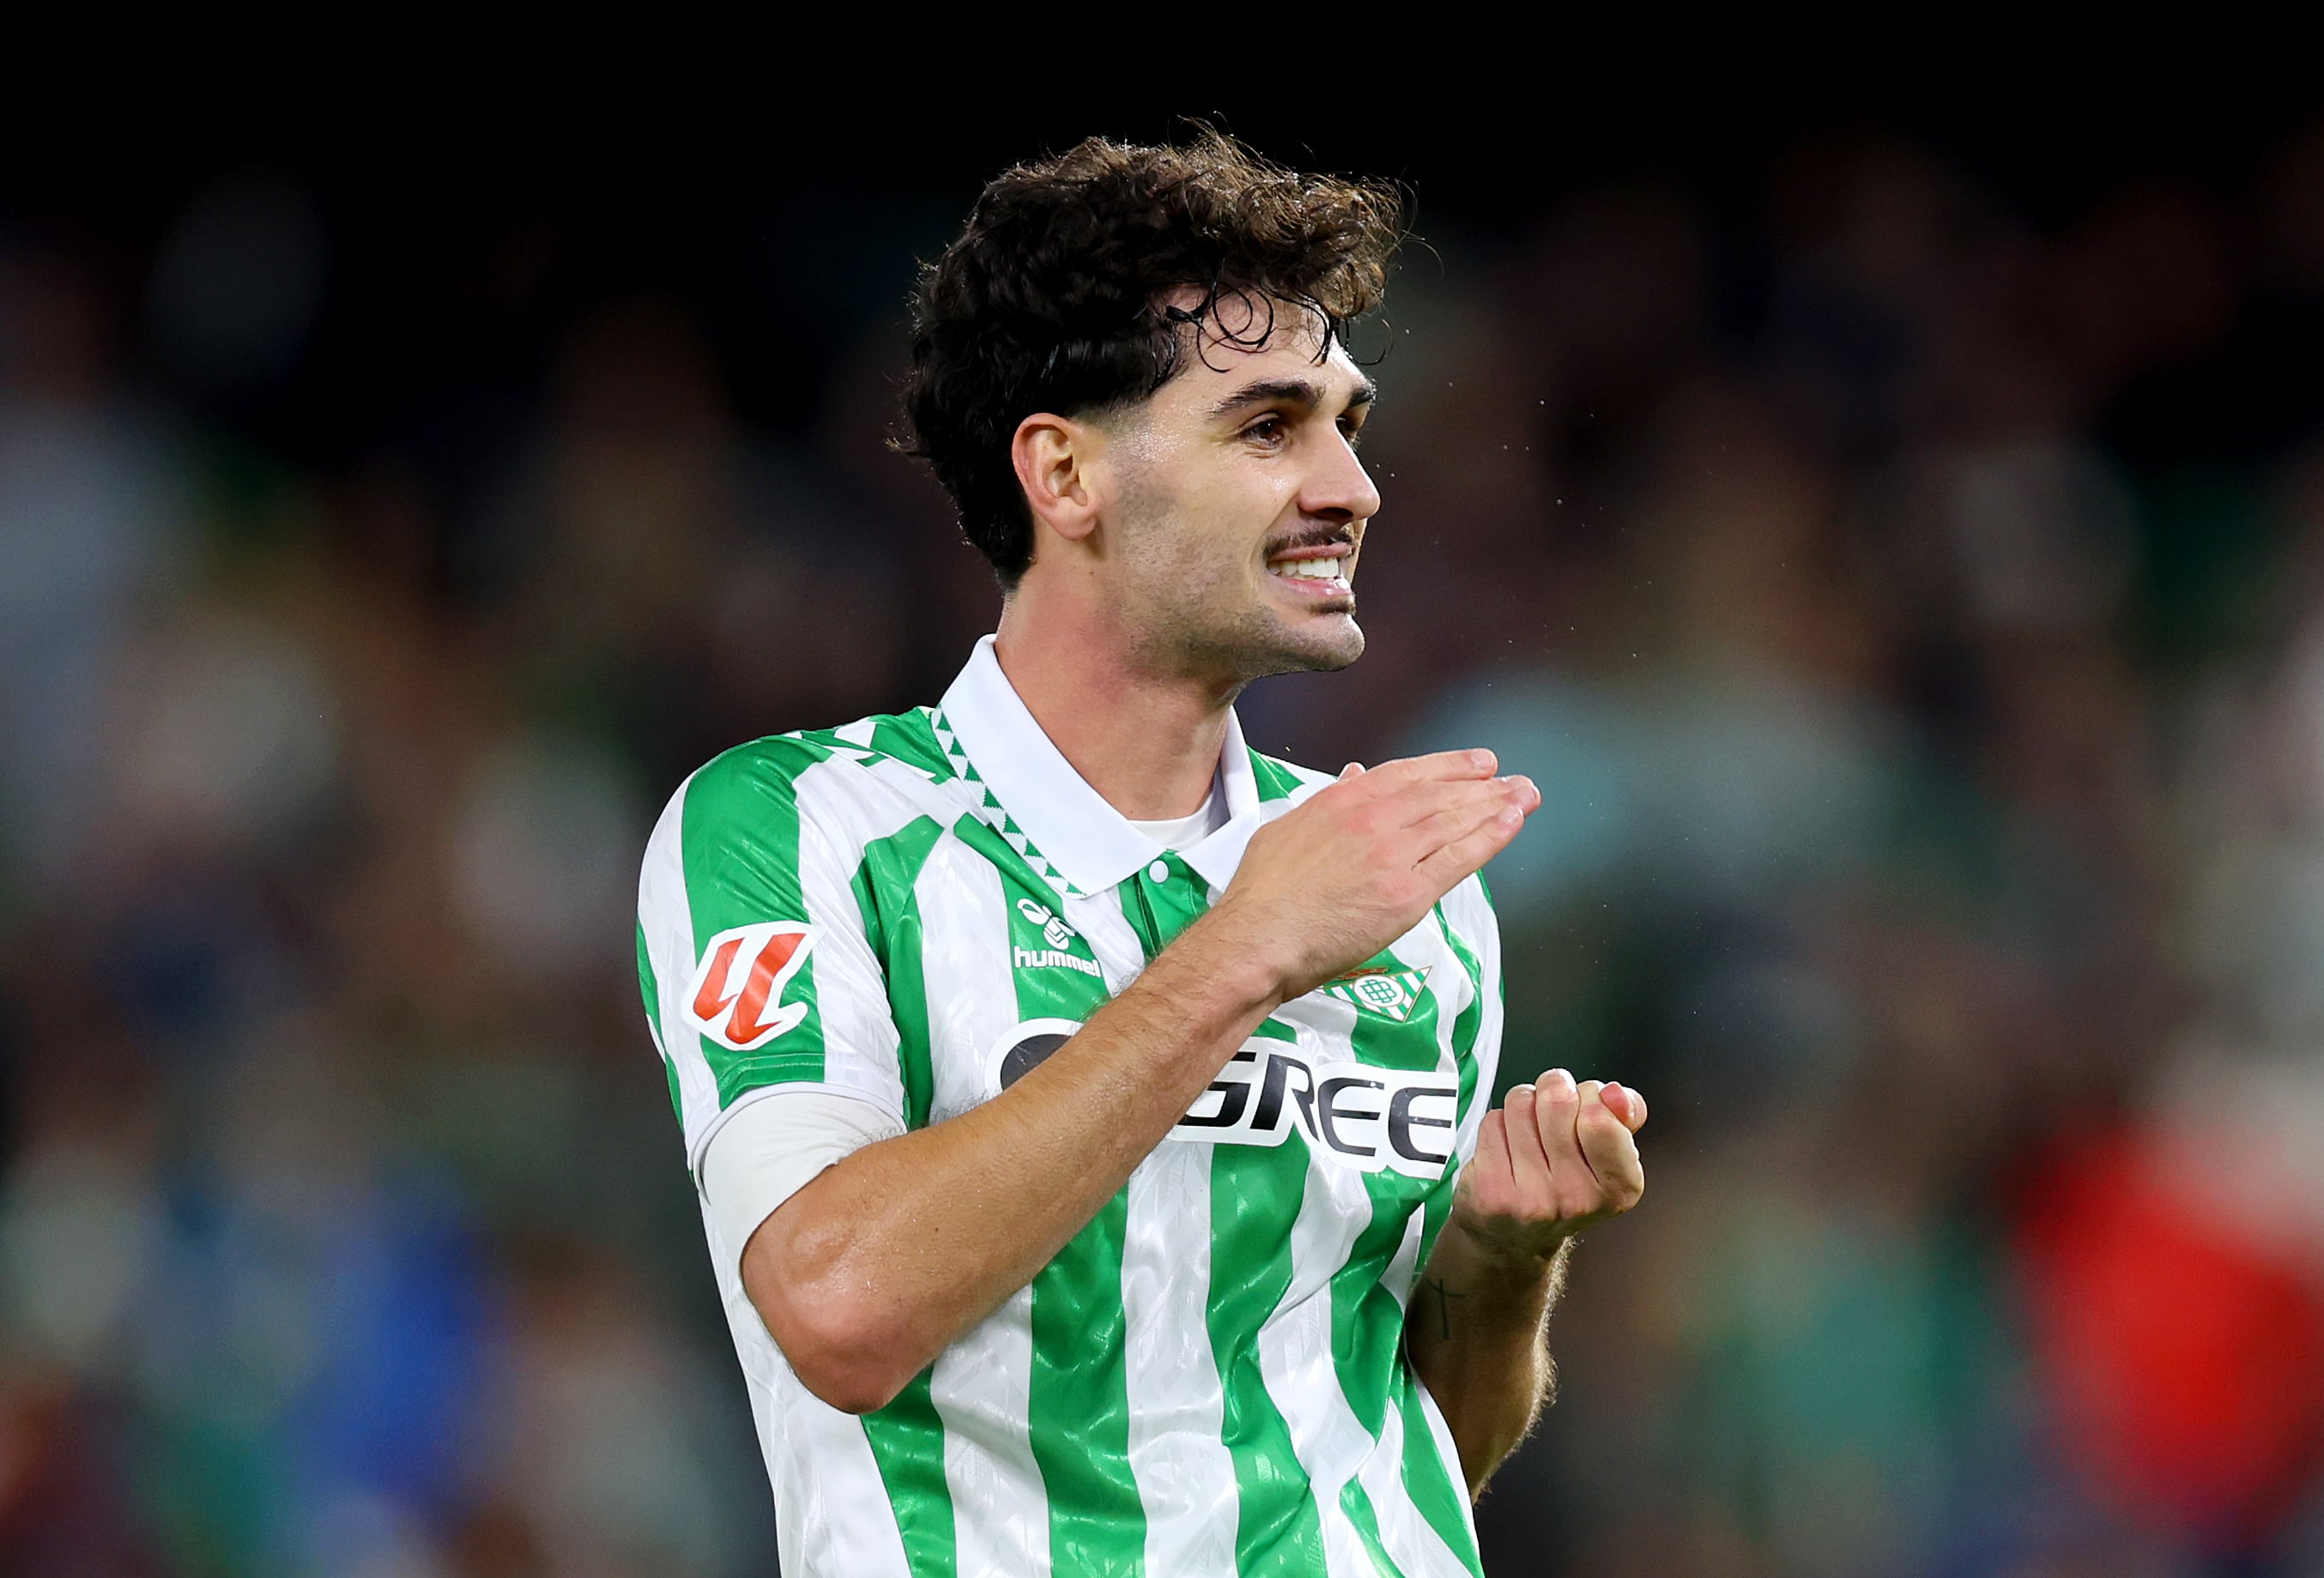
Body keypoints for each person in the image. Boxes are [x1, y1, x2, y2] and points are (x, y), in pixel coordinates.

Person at [633, 130, 1647, 1578]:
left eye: (1348, 424)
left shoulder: (1401, 890)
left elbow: (1421, 1455)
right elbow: (840, 1308)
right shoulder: (804, 829)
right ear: (1064, 472)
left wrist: (1500, 1259)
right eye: (1266, 428)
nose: (1352, 486)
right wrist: (1240, 956)